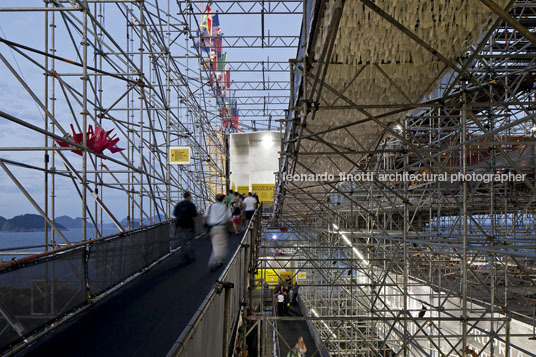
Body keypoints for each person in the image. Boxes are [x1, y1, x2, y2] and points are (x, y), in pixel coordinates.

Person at [204, 193, 232, 270]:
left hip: (212, 228)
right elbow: (229, 218)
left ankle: (219, 261)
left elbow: (205, 217)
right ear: (223, 199)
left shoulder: (211, 206)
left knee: (216, 245)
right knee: (221, 245)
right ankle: (213, 262)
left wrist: (206, 225)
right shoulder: (225, 207)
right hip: (221, 227)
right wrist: (229, 227)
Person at [173, 191, 198, 263]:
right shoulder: (191, 204)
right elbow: (194, 216)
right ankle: (191, 256)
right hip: (189, 225)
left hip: (180, 226)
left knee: (183, 243)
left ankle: (185, 257)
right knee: (191, 241)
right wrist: (194, 224)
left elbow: (175, 214)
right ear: (189, 196)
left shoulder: (179, 204)